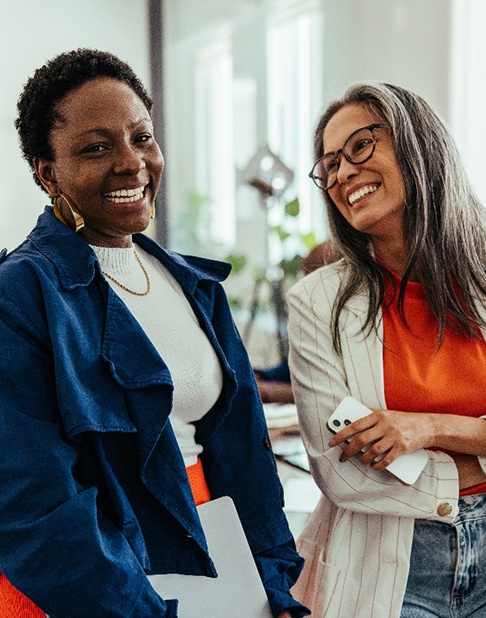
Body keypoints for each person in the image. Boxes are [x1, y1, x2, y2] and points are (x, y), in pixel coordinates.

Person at [0, 48, 310, 618]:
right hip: (95, 587)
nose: (131, 163)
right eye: (96, 148)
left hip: (223, 567)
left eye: (141, 138)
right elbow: (32, 506)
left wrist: (272, 585)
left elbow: (243, 455)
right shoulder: (21, 293)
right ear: (48, 172)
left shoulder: (195, 285)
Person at [287, 81, 486, 617]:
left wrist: (424, 428)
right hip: (390, 569)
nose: (342, 173)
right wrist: (475, 458)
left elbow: (391, 450)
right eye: (329, 165)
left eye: (360, 147)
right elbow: (343, 472)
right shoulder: (317, 302)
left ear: (418, 144)